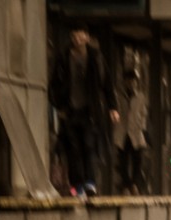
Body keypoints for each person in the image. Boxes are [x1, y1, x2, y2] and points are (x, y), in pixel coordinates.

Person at [49, 24, 119, 196]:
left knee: (89, 146)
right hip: (70, 110)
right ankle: (78, 185)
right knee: (74, 150)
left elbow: (107, 83)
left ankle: (90, 183)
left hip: (90, 111)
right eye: (74, 34)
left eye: (80, 35)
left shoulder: (96, 57)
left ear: (87, 37)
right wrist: (59, 106)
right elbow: (54, 85)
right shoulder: (64, 58)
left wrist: (113, 107)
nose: (77, 38)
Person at [114, 69, 148, 195]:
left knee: (138, 161)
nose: (131, 84)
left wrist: (142, 127)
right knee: (122, 162)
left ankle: (134, 185)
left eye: (133, 81)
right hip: (122, 132)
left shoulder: (140, 97)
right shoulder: (118, 96)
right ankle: (127, 185)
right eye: (128, 81)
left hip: (136, 133)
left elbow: (144, 113)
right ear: (124, 82)